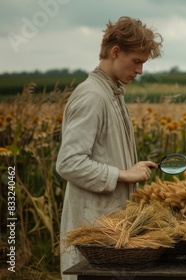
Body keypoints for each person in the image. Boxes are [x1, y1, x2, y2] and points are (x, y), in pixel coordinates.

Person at [56, 16, 163, 279]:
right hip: (93, 228)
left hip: (111, 228)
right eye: (136, 61)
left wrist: (133, 168)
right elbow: (68, 163)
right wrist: (123, 175)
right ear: (115, 52)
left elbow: (103, 155)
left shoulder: (112, 93)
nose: (140, 71)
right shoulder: (92, 96)